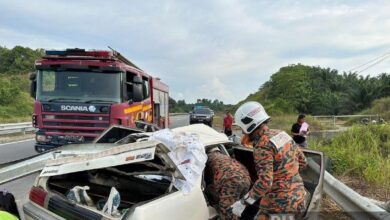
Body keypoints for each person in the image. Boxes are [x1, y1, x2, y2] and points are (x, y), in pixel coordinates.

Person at [231, 101, 308, 219]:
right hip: (299, 197)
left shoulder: (262, 146)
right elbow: (303, 161)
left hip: (278, 204)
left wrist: (243, 203)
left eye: (242, 128)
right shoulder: (282, 134)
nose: (242, 132)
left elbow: (265, 183)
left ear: (249, 125)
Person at [205, 147, 251, 220]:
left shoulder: (206, 158)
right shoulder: (223, 156)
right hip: (246, 177)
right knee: (236, 207)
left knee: (227, 212)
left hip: (232, 181)